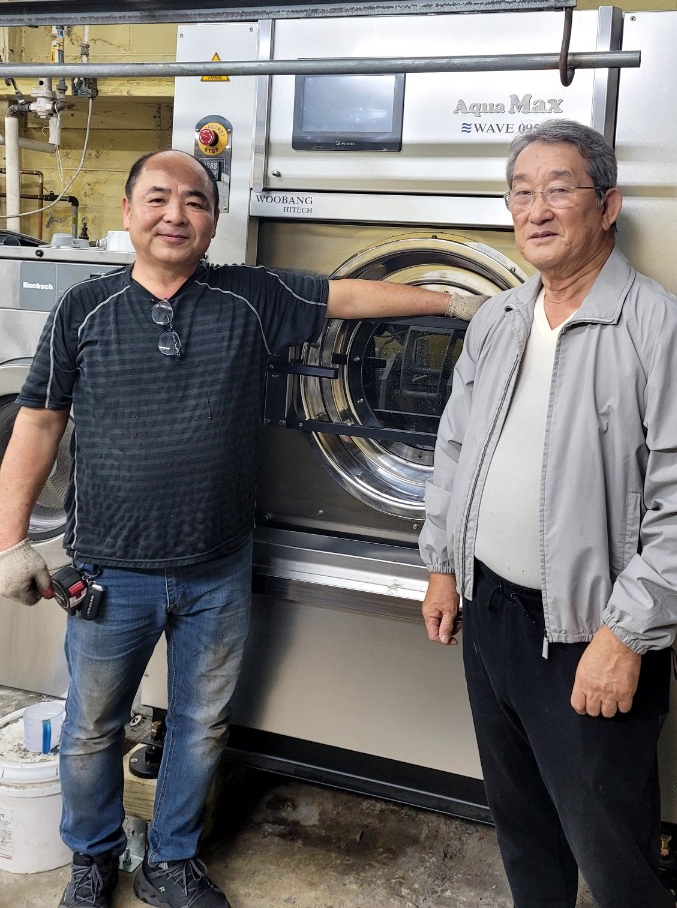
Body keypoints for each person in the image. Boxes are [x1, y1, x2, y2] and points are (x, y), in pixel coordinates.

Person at [0, 149, 484, 908]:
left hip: (217, 570)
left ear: (213, 219)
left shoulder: (251, 296)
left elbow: (348, 296)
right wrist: (10, 541)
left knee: (201, 725)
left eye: (195, 202)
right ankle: (92, 858)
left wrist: (451, 301)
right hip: (109, 571)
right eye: (158, 199)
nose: (175, 215)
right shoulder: (84, 308)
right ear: (127, 212)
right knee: (92, 729)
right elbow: (37, 424)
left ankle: (171, 862)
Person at [419, 120, 677, 908]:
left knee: (612, 849)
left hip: (591, 631)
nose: (537, 209)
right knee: (523, 826)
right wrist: (443, 565)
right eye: (521, 193)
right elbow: (454, 450)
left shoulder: (660, 330)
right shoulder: (498, 321)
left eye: (559, 189)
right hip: (491, 613)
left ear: (608, 206)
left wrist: (626, 635)